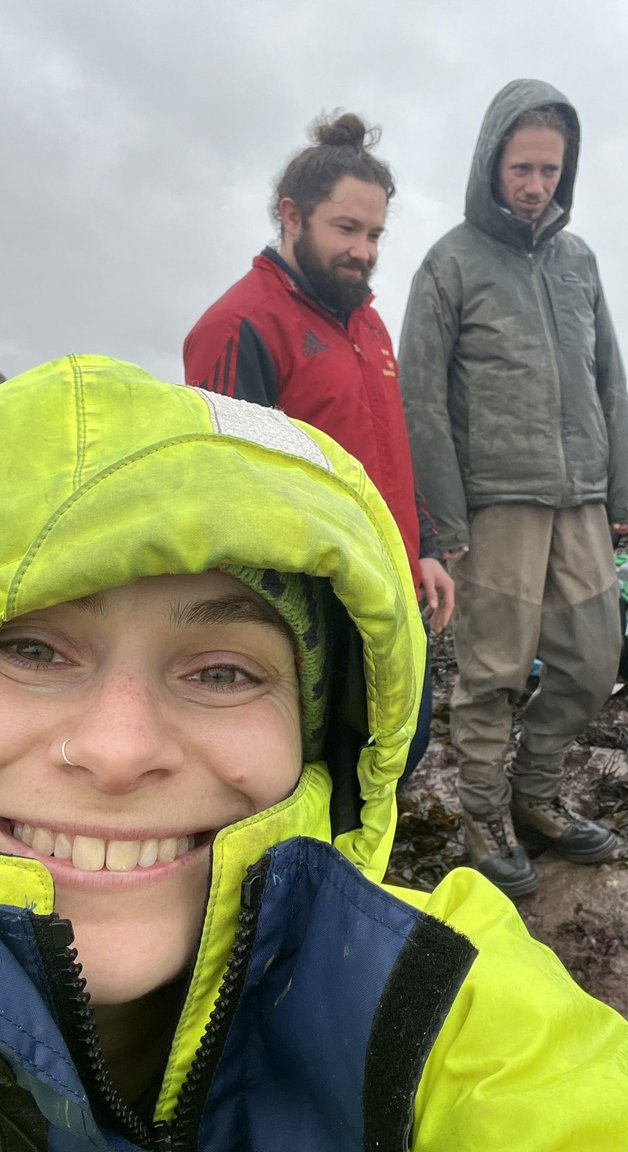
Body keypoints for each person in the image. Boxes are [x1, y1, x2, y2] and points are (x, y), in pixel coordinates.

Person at [0, 353, 628, 1150]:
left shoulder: (438, 992)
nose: (120, 752)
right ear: (290, 216)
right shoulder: (252, 319)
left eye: (224, 672)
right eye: (31, 651)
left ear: (322, 733)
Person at [398, 78, 628, 898]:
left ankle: (537, 797)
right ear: (491, 162)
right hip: (495, 503)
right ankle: (481, 816)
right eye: (521, 168)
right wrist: (440, 518)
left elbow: (609, 378)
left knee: (590, 659)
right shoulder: (450, 263)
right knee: (493, 670)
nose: (535, 186)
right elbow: (422, 400)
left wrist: (622, 497)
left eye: (550, 171)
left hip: (581, 500)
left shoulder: (579, 262)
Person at [183, 112, 454, 778]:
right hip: (316, 609)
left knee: (398, 751)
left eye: (375, 234)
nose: (363, 250)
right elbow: (225, 496)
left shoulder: (368, 322)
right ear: (292, 217)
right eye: (346, 229)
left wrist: (428, 549)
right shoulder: (239, 324)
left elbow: (389, 448)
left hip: (393, 585)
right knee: (323, 770)